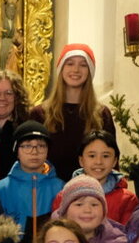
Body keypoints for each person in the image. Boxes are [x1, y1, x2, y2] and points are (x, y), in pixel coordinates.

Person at [29, 43, 116, 181]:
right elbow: (30, 160)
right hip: (49, 192)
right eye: (70, 63)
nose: (76, 69)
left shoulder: (101, 114)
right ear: (61, 69)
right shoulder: (39, 114)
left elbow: (111, 158)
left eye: (83, 65)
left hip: (90, 194)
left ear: (90, 71)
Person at [0, 120, 64, 243]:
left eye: (41, 146)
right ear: (16, 150)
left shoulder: (60, 187)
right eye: (27, 146)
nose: (34, 151)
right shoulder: (1, 189)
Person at [51, 131, 139, 226]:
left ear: (114, 161)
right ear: (81, 160)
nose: (98, 162)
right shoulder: (63, 197)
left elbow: (129, 236)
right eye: (92, 156)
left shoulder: (127, 199)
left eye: (105, 156)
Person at [55, 175, 130, 243]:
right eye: (79, 204)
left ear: (103, 212)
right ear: (64, 212)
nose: (87, 210)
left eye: (94, 205)